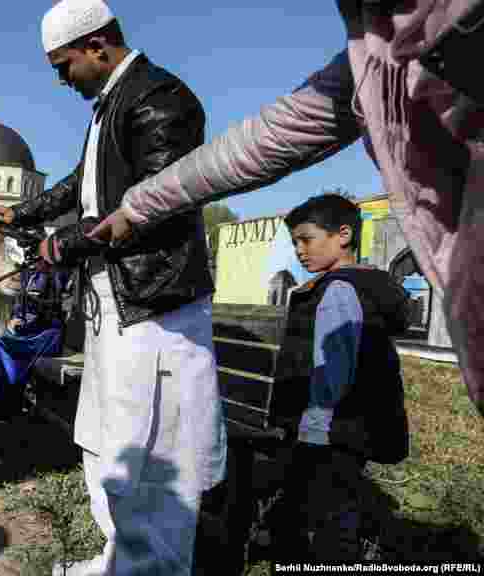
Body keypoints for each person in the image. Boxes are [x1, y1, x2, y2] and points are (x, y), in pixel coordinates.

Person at [88, 0, 484, 418]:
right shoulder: (377, 51)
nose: (300, 251)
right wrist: (137, 206)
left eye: (306, 240)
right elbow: (267, 139)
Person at [0, 2, 226, 573]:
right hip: (118, 305)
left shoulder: (160, 99)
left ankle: (153, 567)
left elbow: (155, 202)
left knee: (156, 456)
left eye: (62, 65)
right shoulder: (112, 105)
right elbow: (79, 188)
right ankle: (122, 559)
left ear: (96, 45)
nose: (60, 79)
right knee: (111, 443)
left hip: (155, 310)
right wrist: (17, 217)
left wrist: (66, 244)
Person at [270, 193, 410, 561]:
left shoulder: (338, 291)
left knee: (327, 509)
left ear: (343, 234)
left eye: (306, 239)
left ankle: (332, 557)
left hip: (331, 424)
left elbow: (332, 367)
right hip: (358, 423)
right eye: (294, 242)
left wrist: (314, 425)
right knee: (341, 493)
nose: (299, 251)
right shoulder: (367, 285)